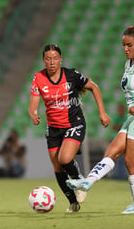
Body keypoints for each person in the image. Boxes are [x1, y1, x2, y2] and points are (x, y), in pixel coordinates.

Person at [66, 22, 134, 214]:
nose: (125, 49)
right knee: (112, 151)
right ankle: (88, 181)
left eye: (129, 45)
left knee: (130, 159)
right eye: (123, 45)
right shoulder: (128, 64)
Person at [28, 44, 111, 213]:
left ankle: (78, 179)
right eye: (48, 59)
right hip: (53, 128)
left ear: (60, 59)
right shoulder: (38, 78)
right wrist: (34, 114)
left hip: (74, 123)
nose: (51, 62)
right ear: (44, 60)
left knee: (64, 159)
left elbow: (94, 87)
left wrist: (102, 113)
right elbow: (33, 104)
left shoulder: (71, 75)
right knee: (57, 167)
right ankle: (73, 203)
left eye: (55, 58)